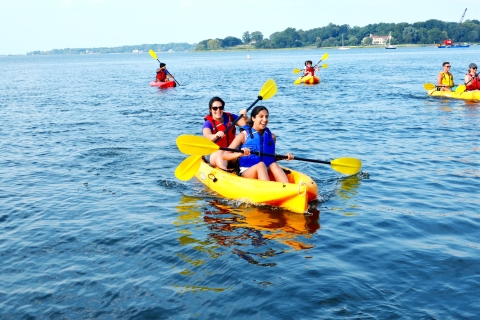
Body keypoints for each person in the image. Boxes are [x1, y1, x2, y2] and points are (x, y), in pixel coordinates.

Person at [222, 106, 294, 183]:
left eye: (266, 117)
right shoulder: (244, 135)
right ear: (253, 118)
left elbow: (271, 157)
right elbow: (225, 156)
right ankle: (267, 190)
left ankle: (287, 187)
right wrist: (239, 154)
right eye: (261, 116)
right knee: (261, 165)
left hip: (265, 169)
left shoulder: (272, 136)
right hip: (247, 171)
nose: (265, 119)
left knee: (274, 164)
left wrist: (284, 157)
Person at [202, 97, 247, 170]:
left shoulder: (230, 117)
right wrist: (215, 135)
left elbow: (245, 125)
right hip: (213, 154)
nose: (218, 110)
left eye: (220, 107)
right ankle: (224, 170)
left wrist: (244, 117)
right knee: (221, 152)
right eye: (215, 108)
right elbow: (207, 135)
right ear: (210, 109)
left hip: (230, 153)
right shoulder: (208, 123)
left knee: (244, 155)